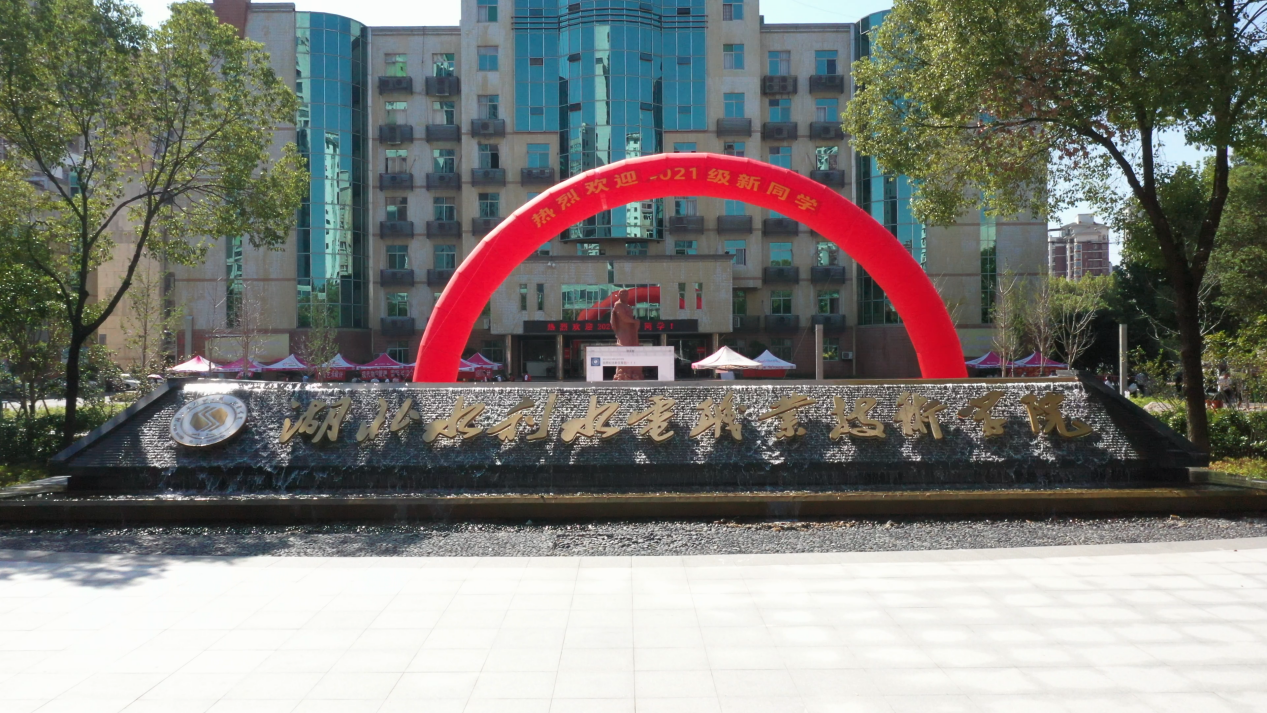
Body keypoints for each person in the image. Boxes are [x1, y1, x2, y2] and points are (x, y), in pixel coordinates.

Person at [610, 288, 642, 381]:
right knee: (624, 348)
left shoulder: (628, 306)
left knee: (633, 349)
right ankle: (623, 372)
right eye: (622, 294)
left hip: (630, 331)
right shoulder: (618, 305)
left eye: (626, 294)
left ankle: (633, 371)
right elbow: (623, 317)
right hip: (623, 331)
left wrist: (635, 323)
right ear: (619, 296)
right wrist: (634, 321)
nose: (624, 296)